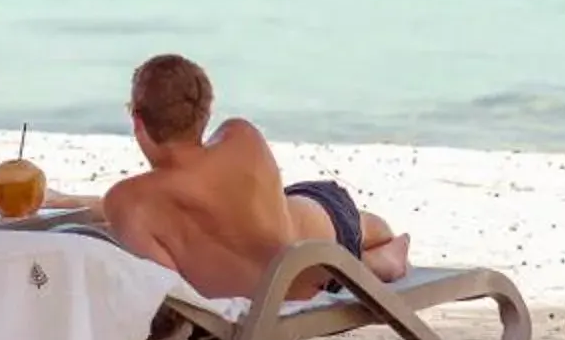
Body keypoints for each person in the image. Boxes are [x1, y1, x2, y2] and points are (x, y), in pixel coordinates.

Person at [101, 53, 409, 301]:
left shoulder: (128, 202)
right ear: (205, 113)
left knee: (366, 225)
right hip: (316, 259)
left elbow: (175, 295)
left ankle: (379, 261)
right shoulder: (240, 137)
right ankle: (377, 261)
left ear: (137, 120)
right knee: (353, 221)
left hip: (295, 271)